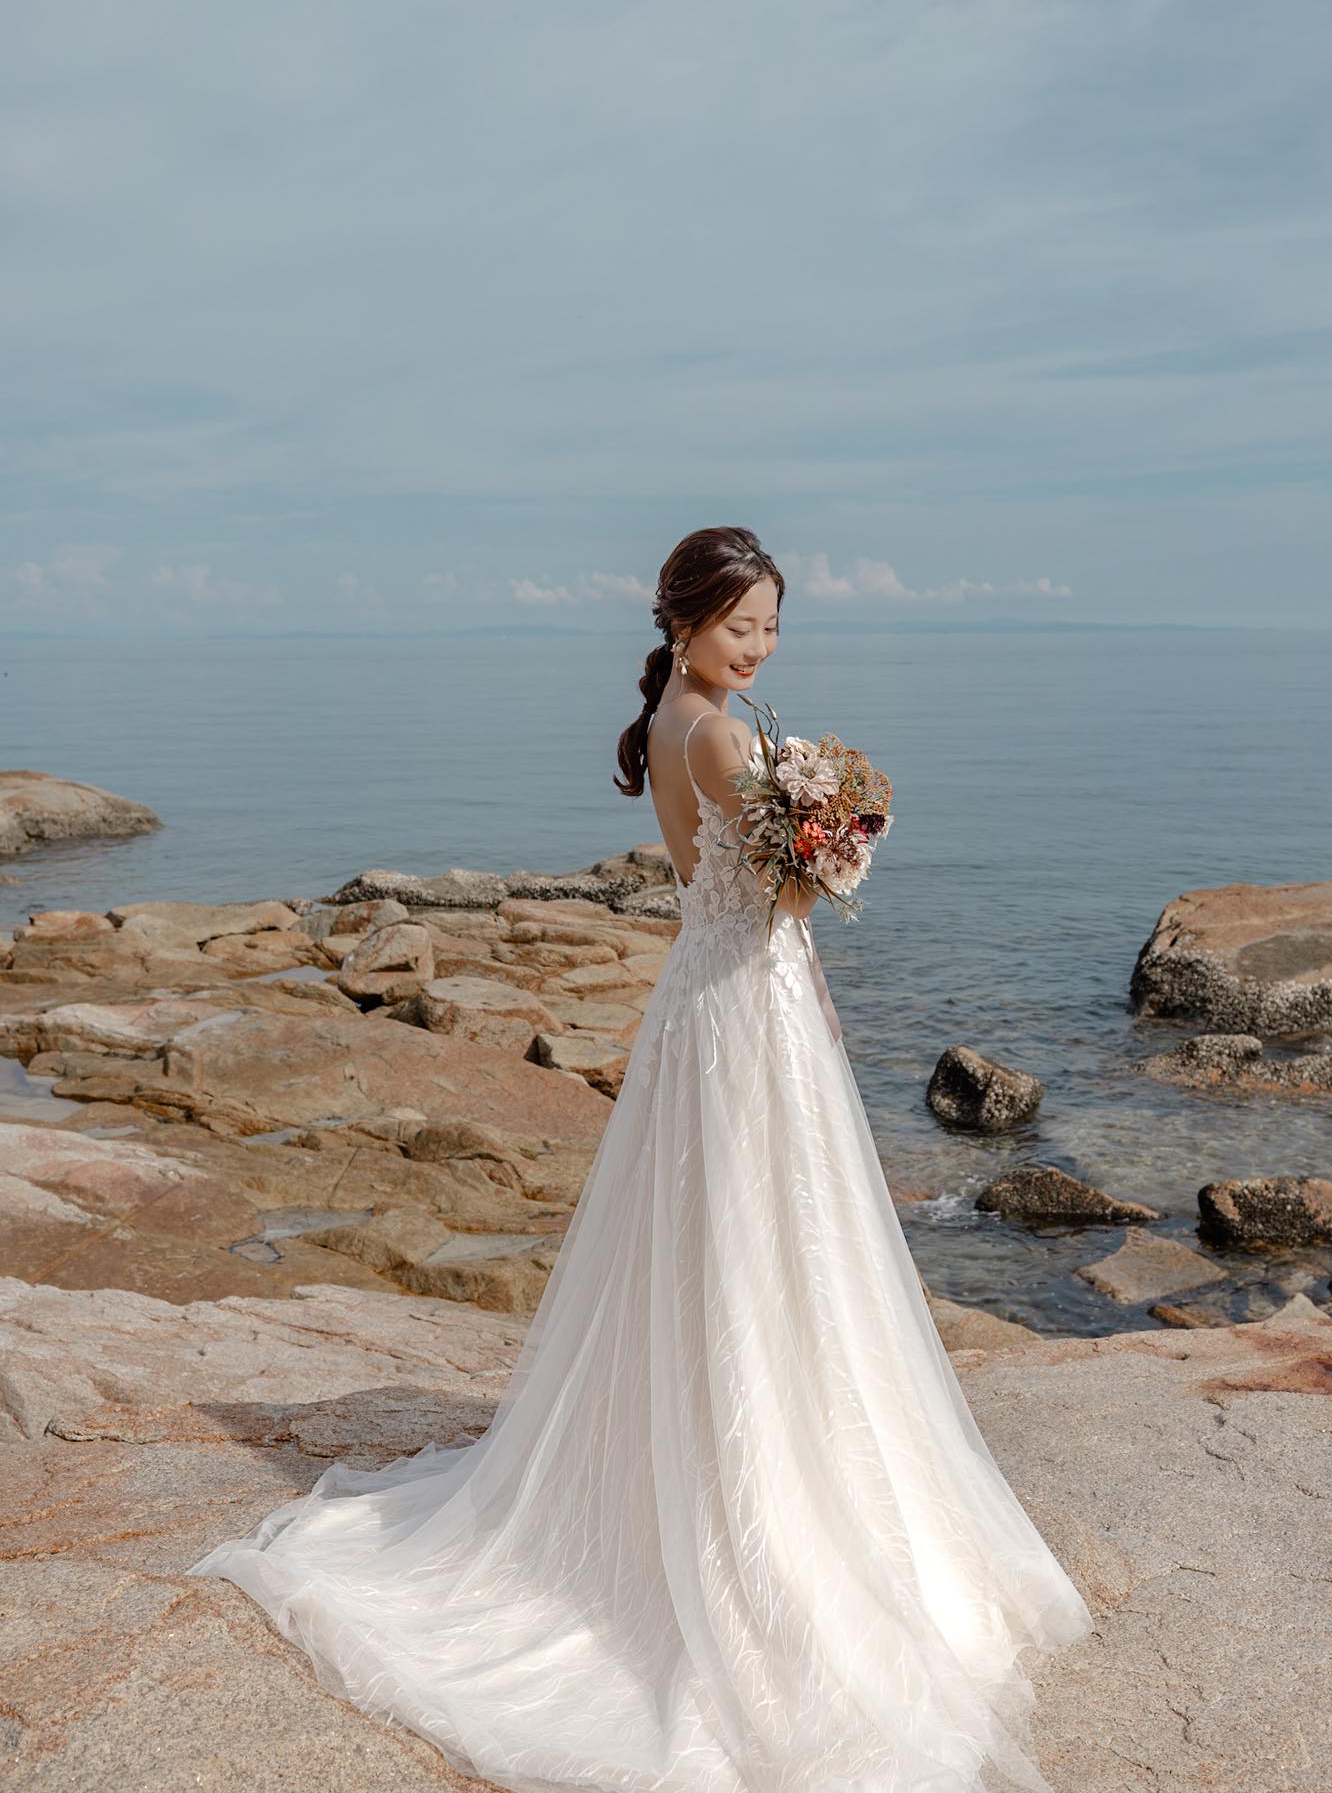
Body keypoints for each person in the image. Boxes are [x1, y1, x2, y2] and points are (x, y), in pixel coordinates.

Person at [187, 524, 1095, 1792]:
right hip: (742, 1005)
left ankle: (708, 1438)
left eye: (773, 625)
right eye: (743, 627)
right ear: (685, 623)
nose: (761, 645)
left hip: (712, 996)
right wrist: (845, 845)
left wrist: (812, 859)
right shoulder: (718, 731)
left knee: (718, 1236)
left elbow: (725, 876)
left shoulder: (686, 713)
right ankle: (753, 1488)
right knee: (766, 1237)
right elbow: (782, 889)